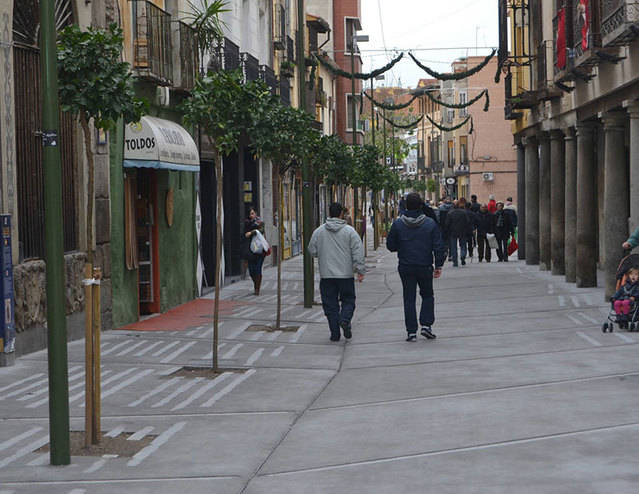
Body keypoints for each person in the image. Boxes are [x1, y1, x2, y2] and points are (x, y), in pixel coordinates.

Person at [386, 193, 446, 342]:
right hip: (424, 265)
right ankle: (426, 325)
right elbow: (438, 246)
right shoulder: (430, 224)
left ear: (406, 206)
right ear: (421, 206)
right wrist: (438, 264)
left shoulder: (398, 224)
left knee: (409, 298)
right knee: (427, 295)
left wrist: (401, 245)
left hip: (406, 266)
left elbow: (390, 245)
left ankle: (411, 331)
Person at [308, 202, 365, 342]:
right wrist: (360, 269)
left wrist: (322, 254)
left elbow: (312, 250)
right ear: (341, 214)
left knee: (330, 304)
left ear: (329, 213)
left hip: (326, 275)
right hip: (345, 274)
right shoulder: (350, 231)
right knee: (348, 300)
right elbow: (358, 251)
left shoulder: (319, 231)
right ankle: (345, 319)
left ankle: (334, 333)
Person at [242, 208, 266, 295]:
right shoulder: (246, 223)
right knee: (252, 271)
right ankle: (255, 284)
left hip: (259, 250)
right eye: (250, 214)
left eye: (252, 213)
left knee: (258, 269)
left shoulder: (260, 223)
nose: (251, 215)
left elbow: (261, 230)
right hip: (250, 251)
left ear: (256, 214)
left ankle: (257, 289)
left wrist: (251, 232)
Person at [445, 197, 471, 266]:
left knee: (453, 247)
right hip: (462, 231)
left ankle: (455, 261)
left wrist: (447, 231)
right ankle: (463, 255)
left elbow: (447, 224)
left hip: (453, 232)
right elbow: (468, 222)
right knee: (463, 245)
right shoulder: (464, 212)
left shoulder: (450, 213)